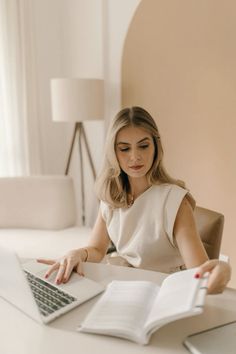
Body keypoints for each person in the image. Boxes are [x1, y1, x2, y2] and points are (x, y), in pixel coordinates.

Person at [38, 106, 231, 294]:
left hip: (163, 292)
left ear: (156, 146)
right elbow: (97, 249)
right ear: (113, 152)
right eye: (124, 149)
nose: (135, 157)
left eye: (143, 146)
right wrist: (77, 253)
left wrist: (222, 271)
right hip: (122, 285)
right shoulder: (111, 196)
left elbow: (199, 272)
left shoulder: (174, 201)